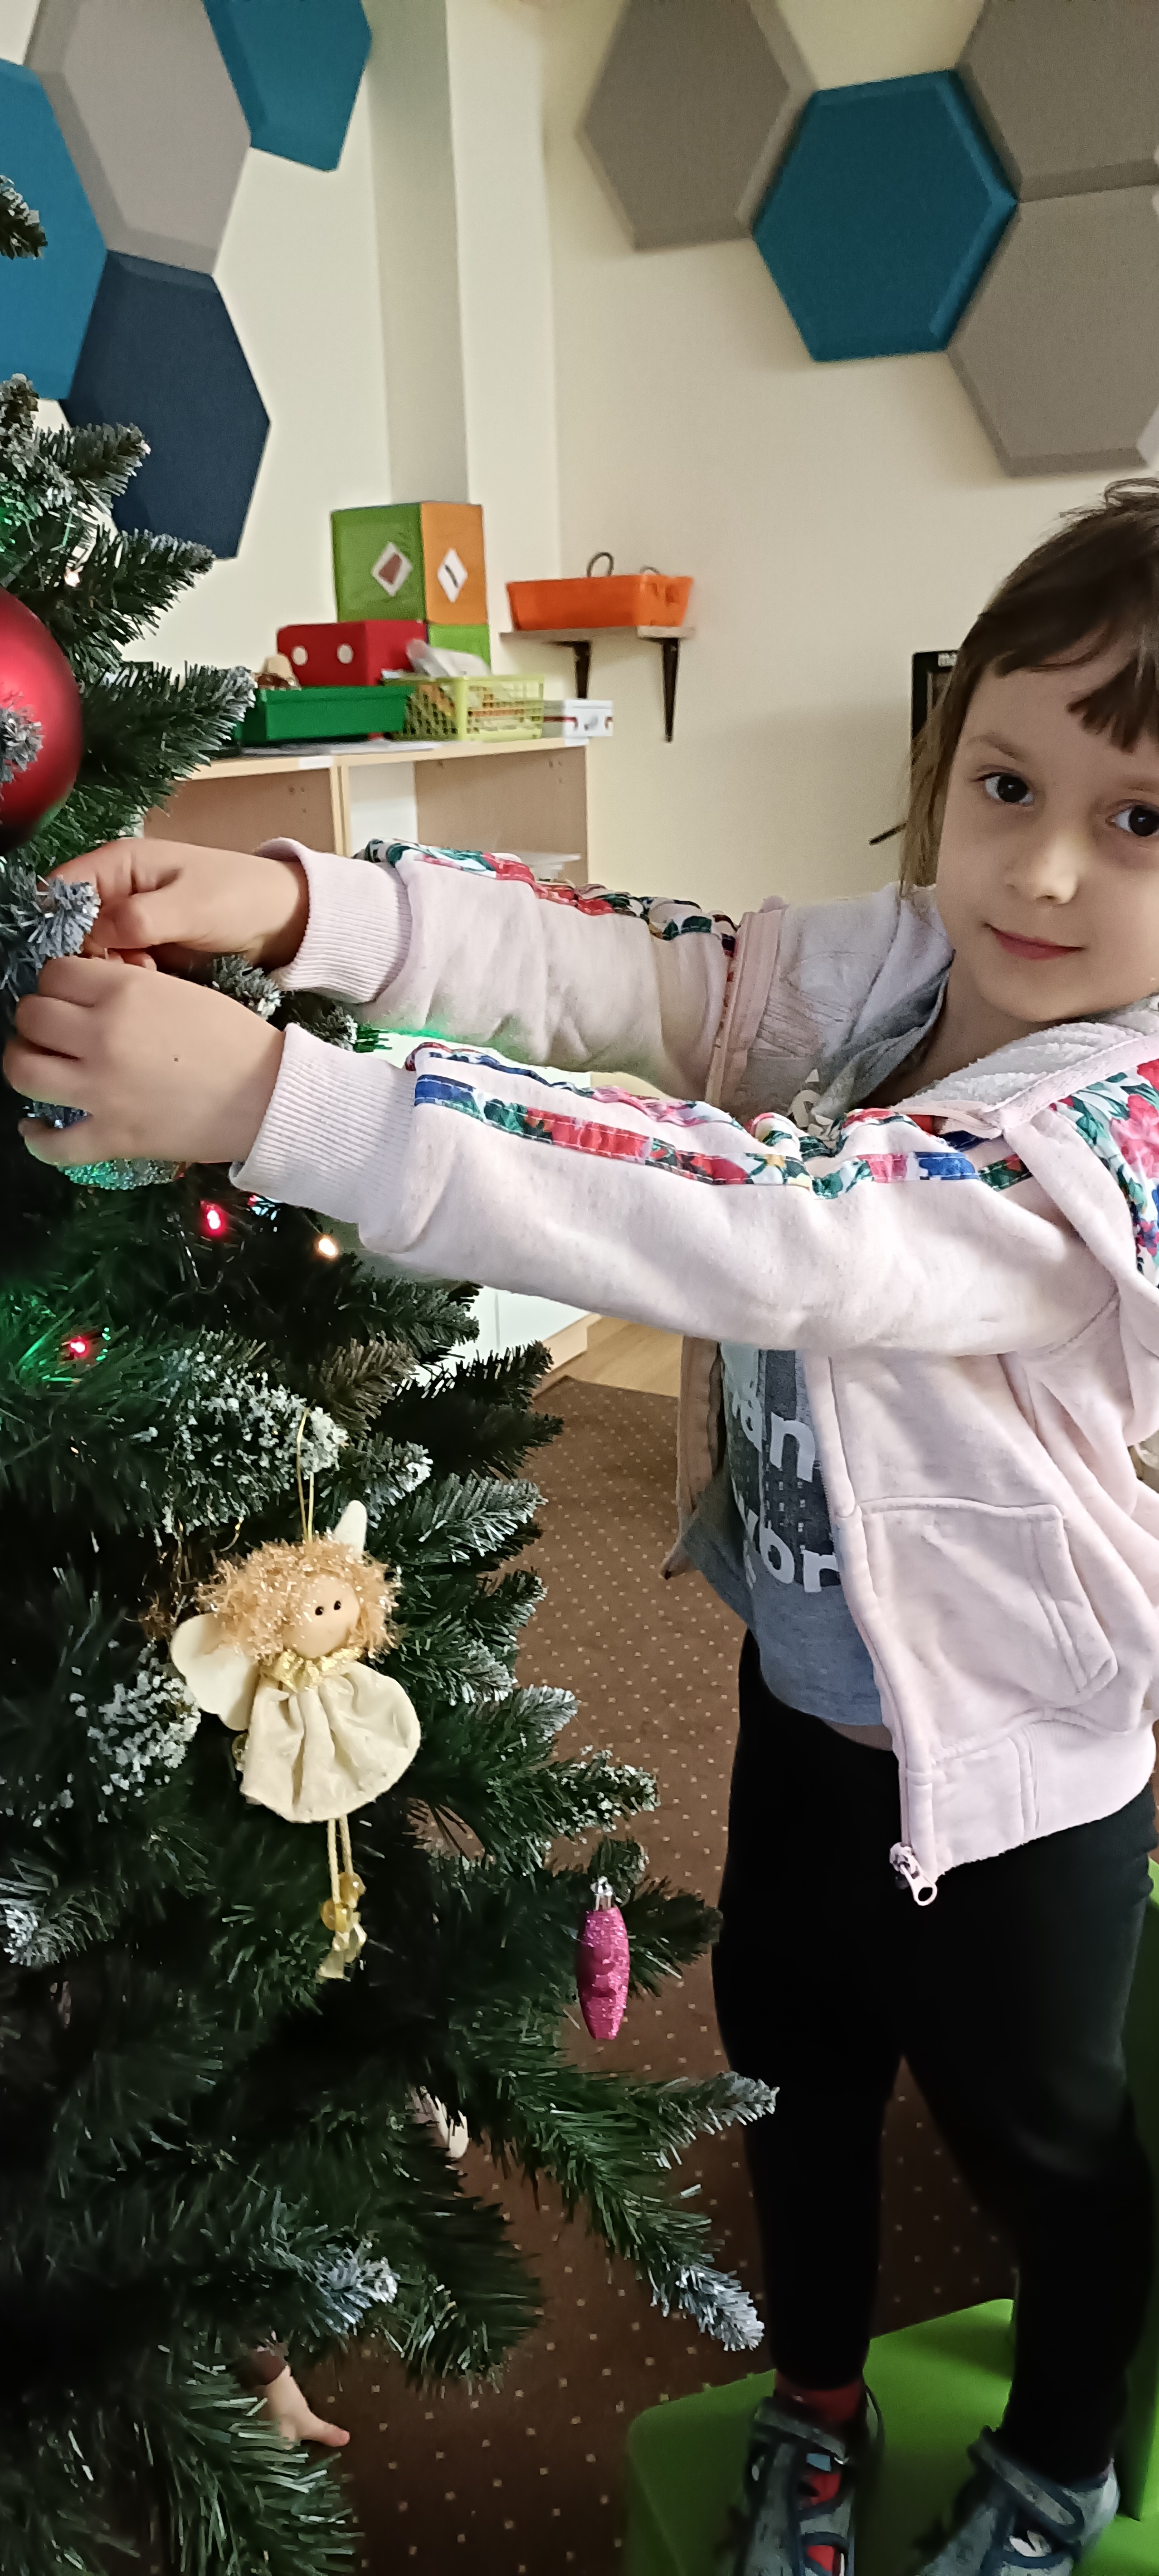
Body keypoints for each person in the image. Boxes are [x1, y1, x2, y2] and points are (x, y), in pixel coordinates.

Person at [9, 482, 1159, 2576]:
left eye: (1142, 819)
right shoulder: (901, 968)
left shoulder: (1119, 1127)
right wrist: (302, 905)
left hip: (1020, 1775)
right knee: (794, 2072)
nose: (1047, 867)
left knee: (1049, 2146)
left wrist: (284, 1101)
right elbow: (628, 967)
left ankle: (1058, 2464)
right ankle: (816, 2412)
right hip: (809, 1703)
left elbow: (789, 1223)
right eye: (1009, 782)